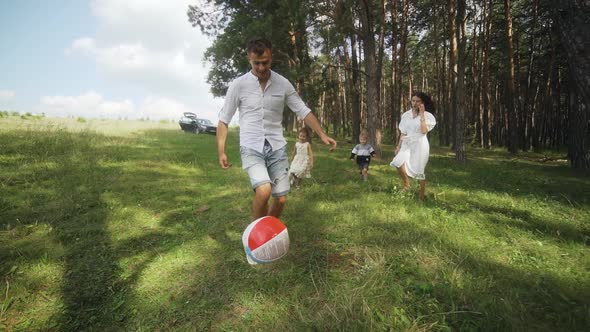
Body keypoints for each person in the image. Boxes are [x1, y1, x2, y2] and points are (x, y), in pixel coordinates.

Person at [217, 38, 337, 219]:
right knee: (264, 191)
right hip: (251, 146)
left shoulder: (282, 83)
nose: (261, 67)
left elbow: (303, 110)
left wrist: (321, 134)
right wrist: (221, 151)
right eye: (256, 63)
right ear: (249, 59)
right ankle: (256, 235)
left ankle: (268, 231)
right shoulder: (238, 85)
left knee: (280, 199)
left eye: (265, 62)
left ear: (271, 58)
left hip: (276, 146)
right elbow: (224, 119)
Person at [390, 91, 436, 200]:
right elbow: (403, 132)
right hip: (406, 143)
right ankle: (407, 184)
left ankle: (421, 197)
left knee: (419, 170)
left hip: (420, 144)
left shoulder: (428, 116)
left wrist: (422, 115)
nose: (414, 103)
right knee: (398, 161)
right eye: (413, 100)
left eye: (417, 101)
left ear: (422, 102)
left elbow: (424, 131)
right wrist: (398, 146)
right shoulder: (406, 115)